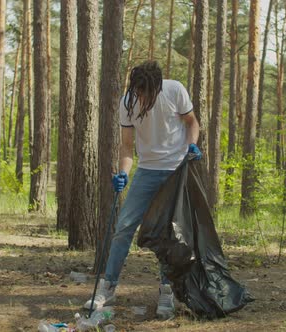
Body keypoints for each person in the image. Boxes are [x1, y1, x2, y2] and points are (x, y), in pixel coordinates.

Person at [83, 60, 201, 320]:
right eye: (138, 91)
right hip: (147, 172)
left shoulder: (175, 90)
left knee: (168, 234)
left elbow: (192, 123)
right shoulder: (128, 102)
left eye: (147, 92)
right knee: (123, 227)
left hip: (175, 170)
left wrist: (192, 145)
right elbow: (127, 147)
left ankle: (166, 291)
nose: (142, 97)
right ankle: (108, 287)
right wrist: (123, 173)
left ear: (158, 87)